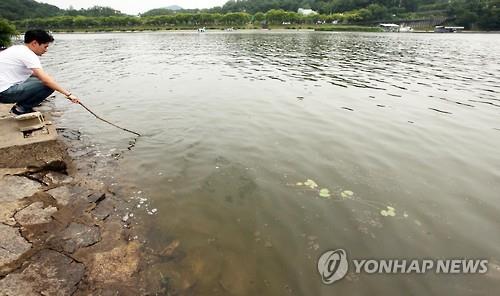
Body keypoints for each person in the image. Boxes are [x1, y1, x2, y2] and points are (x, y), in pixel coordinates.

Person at [0, 29, 80, 116]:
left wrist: (48, 78)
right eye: (45, 46)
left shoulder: (17, 49)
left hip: (3, 89)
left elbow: (35, 74)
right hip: (4, 93)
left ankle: (23, 106)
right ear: (34, 43)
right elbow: (46, 81)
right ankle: (20, 109)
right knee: (48, 85)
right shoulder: (29, 55)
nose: (46, 50)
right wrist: (69, 94)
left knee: (46, 79)